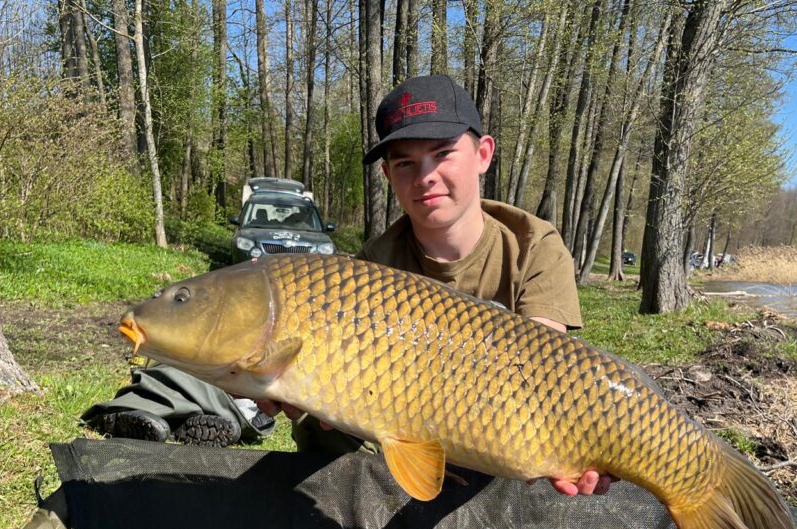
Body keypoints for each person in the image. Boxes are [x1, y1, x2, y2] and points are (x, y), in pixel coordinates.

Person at [261, 74, 614, 496]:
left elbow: (538, 376)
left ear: (483, 154)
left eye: (442, 154)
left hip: (507, 426)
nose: (424, 176)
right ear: (389, 175)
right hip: (405, 435)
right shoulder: (374, 266)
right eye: (405, 163)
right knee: (318, 422)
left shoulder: (533, 246)